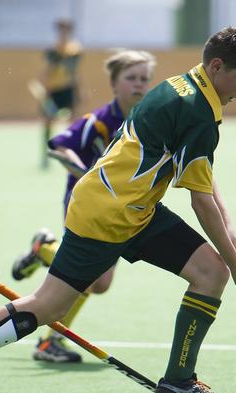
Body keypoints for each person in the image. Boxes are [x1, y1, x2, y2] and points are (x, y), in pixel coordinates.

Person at [0, 27, 236, 393]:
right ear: (217, 66)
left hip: (130, 208)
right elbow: (199, 199)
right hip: (109, 216)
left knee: (210, 271)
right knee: (48, 306)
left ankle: (178, 382)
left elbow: (202, 181)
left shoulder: (181, 86)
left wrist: (230, 248)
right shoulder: (199, 111)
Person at [12, 49, 156, 363]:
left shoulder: (149, 120)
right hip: (85, 206)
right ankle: (50, 343)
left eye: (144, 79)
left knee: (101, 283)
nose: (139, 85)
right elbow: (59, 146)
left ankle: (44, 249)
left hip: (120, 212)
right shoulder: (99, 121)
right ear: (114, 84)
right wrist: (89, 175)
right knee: (91, 277)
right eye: (130, 78)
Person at [38, 18, 83, 168]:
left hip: (67, 89)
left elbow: (74, 72)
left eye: (66, 29)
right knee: (48, 122)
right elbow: (46, 71)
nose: (63, 32)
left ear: (70, 31)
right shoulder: (52, 50)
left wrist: (79, 91)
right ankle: (46, 154)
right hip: (53, 90)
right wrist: (44, 89)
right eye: (60, 29)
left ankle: (74, 156)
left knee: (73, 123)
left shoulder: (75, 49)